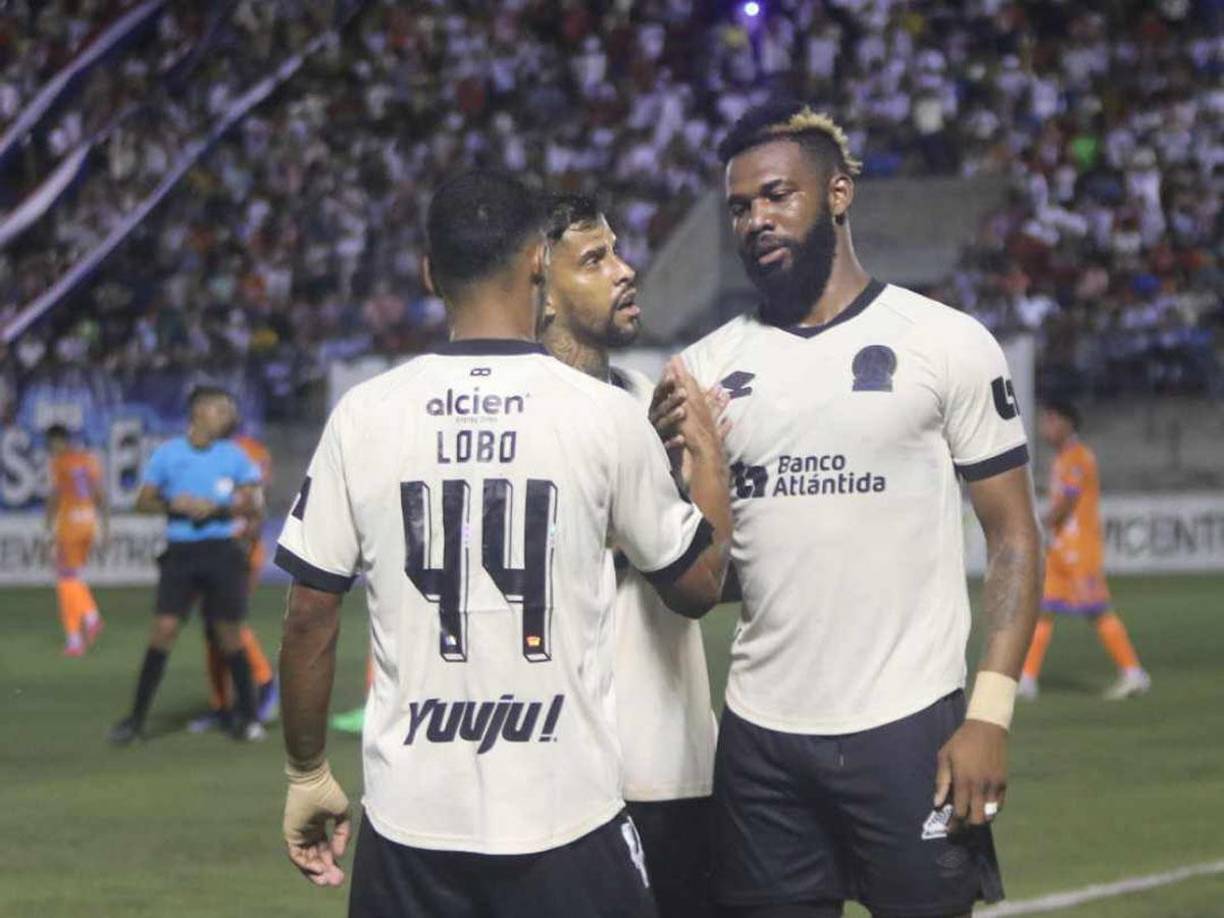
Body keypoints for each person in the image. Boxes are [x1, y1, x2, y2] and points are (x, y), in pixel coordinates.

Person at [274, 170, 731, 917]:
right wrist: (707, 460)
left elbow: (308, 617)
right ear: (534, 266)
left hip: (412, 823)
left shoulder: (365, 415)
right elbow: (698, 585)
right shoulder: (605, 416)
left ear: (429, 273)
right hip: (567, 815)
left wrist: (306, 774)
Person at [653, 101, 1042, 917]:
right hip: (759, 740)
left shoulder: (945, 342)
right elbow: (705, 579)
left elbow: (1012, 538)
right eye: (739, 205)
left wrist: (990, 715)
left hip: (911, 731)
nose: (756, 218)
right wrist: (693, 476)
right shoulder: (701, 372)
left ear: (837, 193)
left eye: (776, 195)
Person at [540, 192, 719, 918]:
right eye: (595, 258)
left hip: (670, 760)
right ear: (538, 291)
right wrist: (631, 470)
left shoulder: (650, 397)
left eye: (617, 250)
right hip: (558, 778)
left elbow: (711, 572)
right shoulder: (517, 417)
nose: (625, 269)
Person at [108, 386, 266, 744]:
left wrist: (219, 510)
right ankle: (135, 721)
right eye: (221, 409)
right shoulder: (168, 454)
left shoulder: (235, 456)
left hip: (222, 551)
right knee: (163, 630)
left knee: (228, 633)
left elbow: (255, 502)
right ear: (200, 412)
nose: (229, 416)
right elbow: (143, 502)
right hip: (181, 553)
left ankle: (249, 718)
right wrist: (172, 504)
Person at [1019, 400, 1151, 701]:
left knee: (1097, 611)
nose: (1045, 427)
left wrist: (1039, 523)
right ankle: (1027, 679)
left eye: (1051, 420)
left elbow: (1067, 501)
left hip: (1081, 552)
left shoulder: (1079, 457)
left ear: (1067, 423)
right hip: (1060, 551)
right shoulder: (1061, 459)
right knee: (1043, 609)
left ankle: (1134, 673)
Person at [189, 420, 279, 733]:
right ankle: (222, 705)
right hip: (217, 547)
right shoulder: (246, 451)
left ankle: (265, 684)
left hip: (236, 548)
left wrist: (244, 543)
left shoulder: (240, 453)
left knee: (226, 622)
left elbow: (254, 501)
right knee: (213, 626)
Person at [44, 424, 106, 657]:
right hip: (88, 522)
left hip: (70, 525)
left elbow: (55, 495)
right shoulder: (88, 459)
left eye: (52, 443)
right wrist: (105, 526)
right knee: (69, 578)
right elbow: (100, 494)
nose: (52, 448)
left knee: (65, 580)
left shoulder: (59, 462)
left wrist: (47, 527)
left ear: (58, 440)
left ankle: (90, 617)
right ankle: (75, 639)